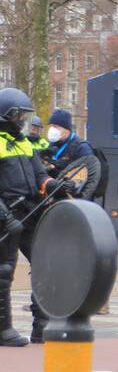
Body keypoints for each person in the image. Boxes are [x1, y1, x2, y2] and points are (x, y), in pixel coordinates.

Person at [0, 88, 63, 346]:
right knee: (4, 271)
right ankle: (4, 329)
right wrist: (4, 216)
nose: (24, 121)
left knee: (45, 264)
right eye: (20, 116)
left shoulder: (25, 142)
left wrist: (54, 185)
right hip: (6, 215)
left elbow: (39, 175)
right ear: (7, 116)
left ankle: (42, 326)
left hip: (31, 212)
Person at [40, 109, 97, 178]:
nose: (51, 129)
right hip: (53, 186)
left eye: (55, 126)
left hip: (69, 187)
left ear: (66, 129)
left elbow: (87, 175)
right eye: (51, 126)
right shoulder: (53, 144)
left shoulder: (81, 147)